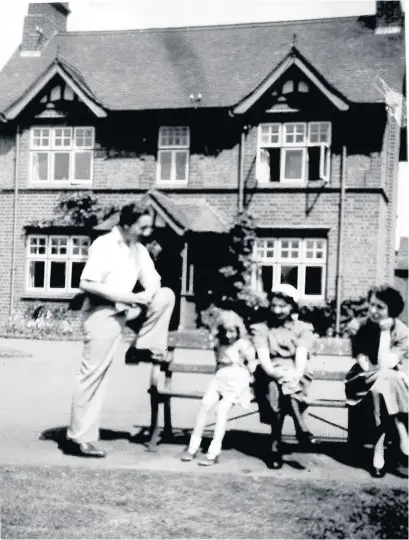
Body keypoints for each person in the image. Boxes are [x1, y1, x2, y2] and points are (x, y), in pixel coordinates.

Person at [64, 203, 175, 458]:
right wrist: (128, 296)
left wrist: (146, 294)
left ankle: (142, 346)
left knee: (165, 295)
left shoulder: (137, 249)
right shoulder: (104, 245)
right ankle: (79, 437)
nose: (147, 232)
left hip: (129, 310)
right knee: (93, 376)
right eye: (142, 226)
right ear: (126, 224)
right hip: (103, 312)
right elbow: (87, 282)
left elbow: (152, 278)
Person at [251, 284, 316, 470]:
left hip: (296, 371)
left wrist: (295, 374)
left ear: (292, 307)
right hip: (269, 371)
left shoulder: (302, 328)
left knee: (279, 388)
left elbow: (301, 354)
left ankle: (275, 444)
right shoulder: (262, 327)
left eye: (283, 306)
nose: (277, 310)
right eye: (274, 305)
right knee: (273, 385)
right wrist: (275, 372)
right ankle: (300, 426)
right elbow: (264, 358)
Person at [345, 285, 408, 478]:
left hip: (384, 388)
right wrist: (383, 333)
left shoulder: (403, 333)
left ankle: (378, 449)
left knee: (381, 388)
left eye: (379, 307)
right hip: (361, 383)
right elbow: (369, 366)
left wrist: (386, 333)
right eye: (371, 305)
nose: (373, 311)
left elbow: (388, 364)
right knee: (386, 379)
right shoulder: (358, 326)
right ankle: (403, 434)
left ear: (391, 311)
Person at [181, 310, 256, 466]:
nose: (228, 335)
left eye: (232, 331)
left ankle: (213, 452)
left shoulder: (242, 344)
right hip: (220, 379)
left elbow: (253, 364)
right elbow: (218, 365)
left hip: (237, 382)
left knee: (221, 410)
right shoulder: (218, 343)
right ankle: (192, 447)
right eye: (225, 331)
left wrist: (250, 378)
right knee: (205, 405)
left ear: (238, 330)